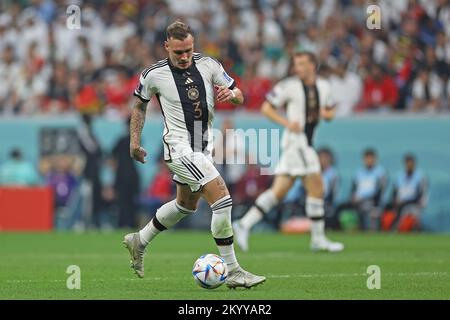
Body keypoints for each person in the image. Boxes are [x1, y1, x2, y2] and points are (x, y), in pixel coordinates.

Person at [122, 21, 265, 288]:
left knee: (185, 205)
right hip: (178, 148)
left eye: (188, 50)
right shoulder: (153, 74)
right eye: (178, 52)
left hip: (202, 147)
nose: (185, 56)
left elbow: (239, 96)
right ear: (167, 47)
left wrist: (231, 94)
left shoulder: (209, 65)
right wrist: (134, 141)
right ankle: (233, 271)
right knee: (222, 198)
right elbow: (139, 107)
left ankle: (139, 240)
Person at [232, 51, 344, 253]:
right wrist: (287, 123)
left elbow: (330, 111)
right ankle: (318, 239)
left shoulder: (324, 86)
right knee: (317, 186)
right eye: (296, 64)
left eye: (302, 64)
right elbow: (266, 108)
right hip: (296, 142)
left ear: (313, 65)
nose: (297, 68)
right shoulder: (289, 86)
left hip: (306, 142)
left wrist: (327, 114)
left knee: (278, 191)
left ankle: (244, 224)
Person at [337, 148, 387, 231]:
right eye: (367, 158)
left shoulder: (380, 173)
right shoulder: (359, 173)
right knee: (341, 208)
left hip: (373, 202)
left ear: (375, 159)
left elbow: (379, 192)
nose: (369, 160)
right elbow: (353, 189)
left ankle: (369, 229)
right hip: (358, 202)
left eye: (371, 158)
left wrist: (363, 198)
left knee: (367, 209)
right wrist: (353, 197)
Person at [385, 154, 427, 230]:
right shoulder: (400, 177)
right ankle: (390, 229)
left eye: (411, 163)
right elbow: (394, 192)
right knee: (388, 208)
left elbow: (420, 195)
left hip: (415, 203)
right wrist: (395, 200)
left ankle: (416, 229)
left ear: (414, 164)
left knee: (405, 210)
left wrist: (405, 201)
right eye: (407, 163)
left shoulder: (420, 177)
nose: (409, 165)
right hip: (400, 204)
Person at [111, 116, 140, 228]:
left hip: (121, 175)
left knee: (122, 202)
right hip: (133, 175)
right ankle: (131, 223)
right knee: (132, 202)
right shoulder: (137, 141)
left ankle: (123, 224)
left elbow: (112, 159)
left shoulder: (121, 140)